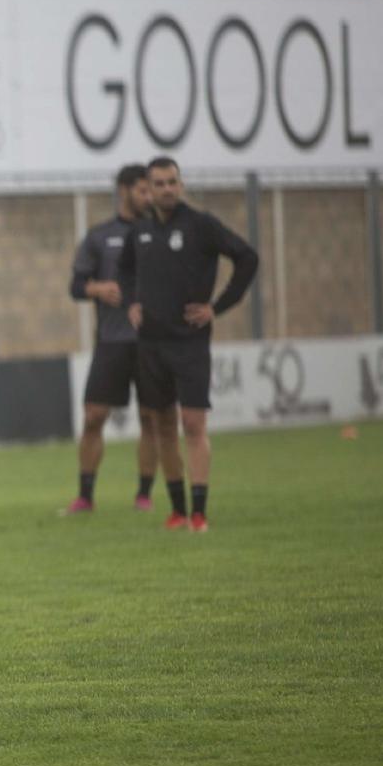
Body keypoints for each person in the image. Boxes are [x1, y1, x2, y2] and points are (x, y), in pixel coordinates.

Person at [121, 157, 259, 532]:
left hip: (189, 343)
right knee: (163, 425)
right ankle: (178, 511)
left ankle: (199, 512)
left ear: (180, 185)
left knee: (193, 423)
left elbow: (247, 258)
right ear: (148, 190)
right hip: (151, 345)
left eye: (172, 182)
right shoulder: (140, 231)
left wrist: (218, 307)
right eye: (159, 183)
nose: (167, 189)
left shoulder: (201, 225)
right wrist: (131, 302)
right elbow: (125, 269)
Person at [65, 164, 167, 515]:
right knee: (94, 416)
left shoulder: (159, 233)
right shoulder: (99, 236)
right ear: (124, 190)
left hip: (151, 340)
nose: (149, 196)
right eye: (142, 190)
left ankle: (144, 495)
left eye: (151, 190)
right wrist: (97, 288)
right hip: (111, 339)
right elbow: (75, 286)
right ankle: (85, 496)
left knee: (151, 418)